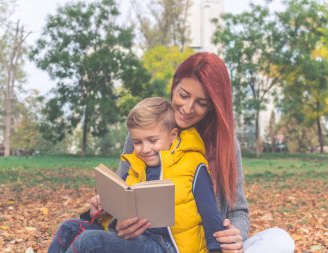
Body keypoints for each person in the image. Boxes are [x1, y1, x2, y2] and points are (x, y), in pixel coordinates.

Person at [116, 52, 295, 253]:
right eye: (183, 95)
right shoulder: (145, 134)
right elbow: (120, 193)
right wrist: (117, 221)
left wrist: (236, 234)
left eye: (201, 103)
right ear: (174, 87)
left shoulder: (225, 143)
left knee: (280, 240)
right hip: (156, 245)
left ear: (212, 106)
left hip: (210, 246)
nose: (187, 108)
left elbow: (239, 211)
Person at [48, 97, 229, 253]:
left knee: (90, 242)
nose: (144, 149)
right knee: (69, 228)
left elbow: (211, 216)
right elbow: (122, 212)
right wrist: (103, 210)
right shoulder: (136, 164)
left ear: (173, 135)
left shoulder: (192, 164)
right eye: (137, 142)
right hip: (137, 240)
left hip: (169, 247)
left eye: (152, 140)